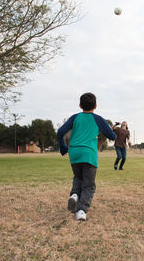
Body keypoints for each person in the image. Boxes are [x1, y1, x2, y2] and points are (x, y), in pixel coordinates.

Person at [57, 93, 116, 221]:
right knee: (89, 185)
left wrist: (63, 147)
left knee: (78, 177)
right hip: (89, 154)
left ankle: (74, 195)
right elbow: (112, 136)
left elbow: (60, 132)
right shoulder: (98, 119)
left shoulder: (75, 117)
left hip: (74, 153)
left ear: (80, 105)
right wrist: (110, 130)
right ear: (95, 105)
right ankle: (81, 210)